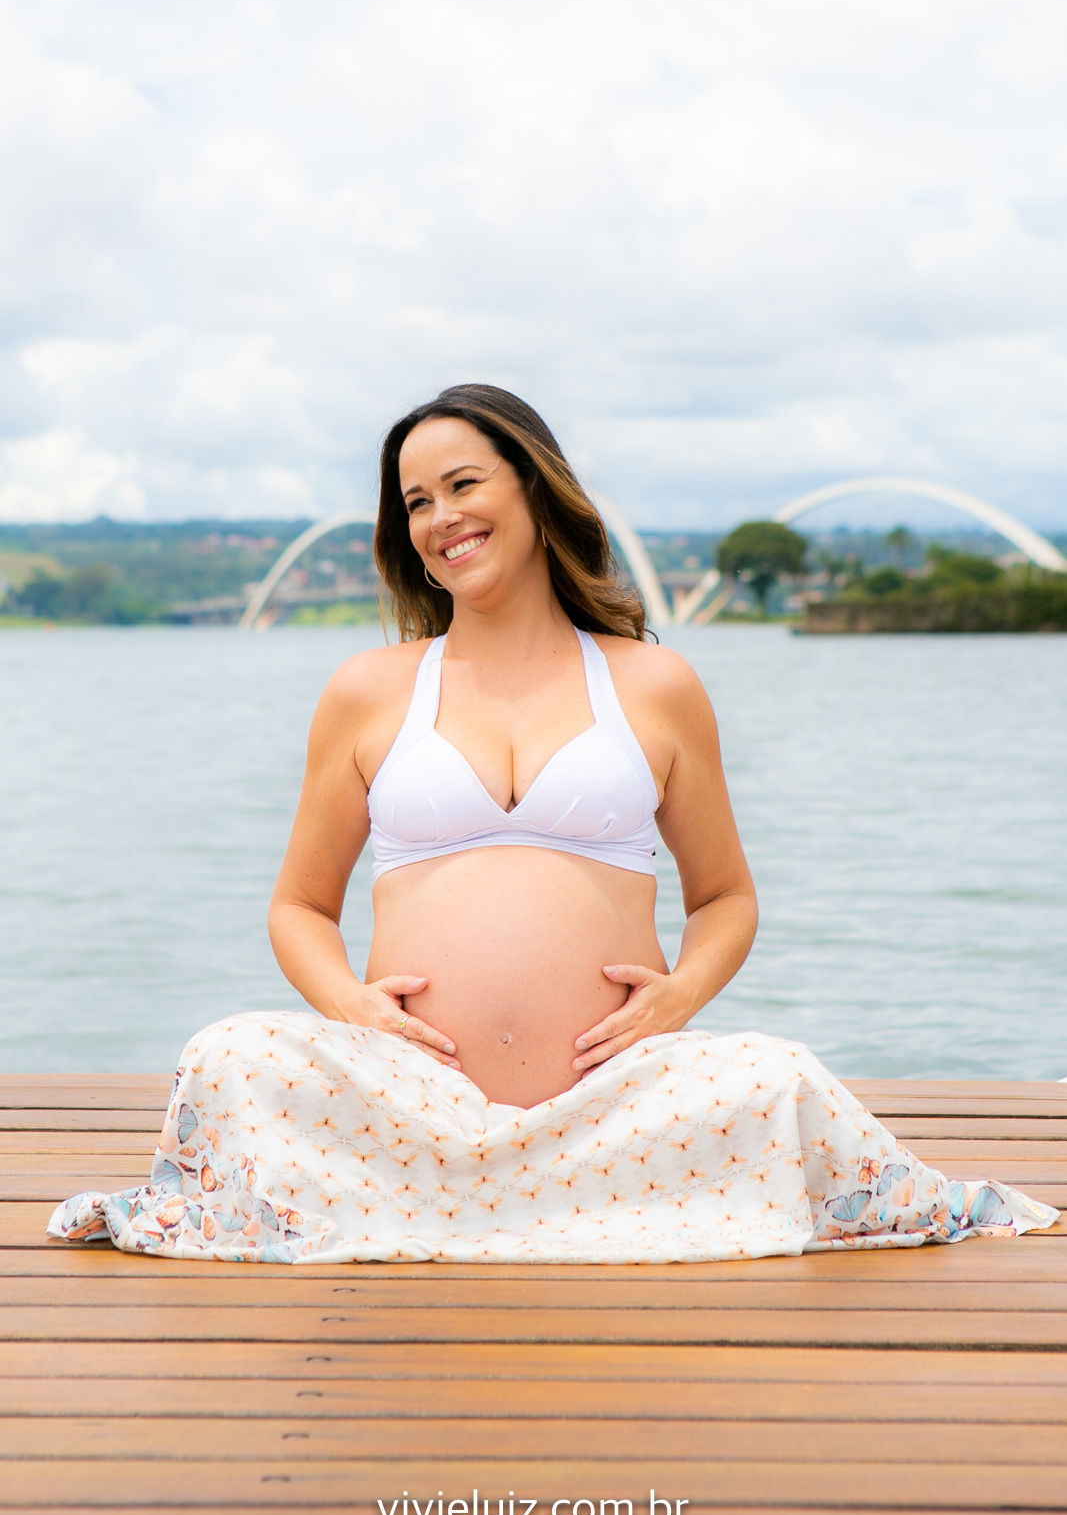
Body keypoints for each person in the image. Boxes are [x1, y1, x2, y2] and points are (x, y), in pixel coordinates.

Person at [49, 385, 1056, 1262]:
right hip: (413, 1108)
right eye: (414, 501)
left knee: (774, 1075)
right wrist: (353, 1008)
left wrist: (675, 1001)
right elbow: (298, 910)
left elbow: (724, 900)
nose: (440, 516)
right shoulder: (366, 690)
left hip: (607, 1106)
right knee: (229, 1055)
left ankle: (492, 1205)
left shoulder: (653, 683)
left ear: (533, 487)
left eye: (463, 483)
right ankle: (514, 1202)